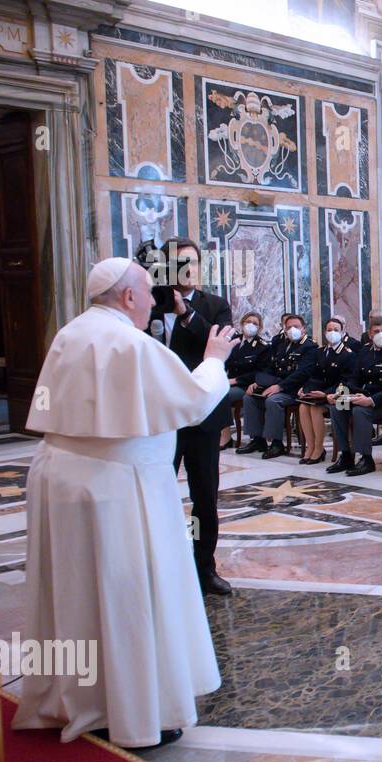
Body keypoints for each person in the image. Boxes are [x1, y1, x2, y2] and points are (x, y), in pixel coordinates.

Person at [14, 258, 237, 748]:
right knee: (128, 594)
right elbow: (194, 399)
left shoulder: (70, 333)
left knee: (74, 592)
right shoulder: (130, 342)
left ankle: (73, 698)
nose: (154, 302)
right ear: (129, 297)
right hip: (116, 487)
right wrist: (216, 357)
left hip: (62, 477)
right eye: (148, 294)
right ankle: (136, 714)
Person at [144, 238, 235, 596]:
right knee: (155, 493)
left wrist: (186, 314)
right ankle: (158, 566)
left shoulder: (215, 305)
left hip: (202, 417)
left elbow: (221, 348)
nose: (186, 269)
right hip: (159, 416)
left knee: (204, 496)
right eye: (178, 263)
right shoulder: (149, 304)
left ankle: (204, 567)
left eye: (192, 263)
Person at [327, 314, 382, 476]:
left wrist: (371, 400)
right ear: (370, 334)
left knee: (359, 411)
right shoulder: (364, 351)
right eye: (376, 331)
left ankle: (366, 458)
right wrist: (340, 393)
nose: (380, 334)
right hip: (364, 397)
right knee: (337, 406)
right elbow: (354, 378)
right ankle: (346, 455)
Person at [237, 314, 318, 459]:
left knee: (273, 401)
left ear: (304, 329)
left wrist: (279, 387)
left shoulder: (310, 347)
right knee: (250, 397)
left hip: (295, 389)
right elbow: (270, 367)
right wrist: (259, 383)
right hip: (275, 384)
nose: (292, 330)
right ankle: (257, 440)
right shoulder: (281, 345)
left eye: (296, 327)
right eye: (289, 327)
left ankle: (276, 443)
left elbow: (302, 373)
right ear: (284, 330)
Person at [295, 318, 356, 466]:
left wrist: (326, 393)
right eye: (329, 330)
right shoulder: (320, 352)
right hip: (318, 393)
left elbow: (346, 381)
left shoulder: (348, 354)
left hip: (335, 394)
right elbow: (313, 375)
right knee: (303, 407)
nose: (332, 333)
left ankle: (318, 448)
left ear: (342, 333)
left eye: (336, 330)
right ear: (324, 332)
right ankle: (312, 446)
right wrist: (305, 388)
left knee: (315, 408)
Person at [221, 311, 267, 449]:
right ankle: (219, 432)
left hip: (246, 385)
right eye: (248, 322)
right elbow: (224, 362)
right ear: (242, 324)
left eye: (255, 324)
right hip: (228, 381)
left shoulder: (262, 346)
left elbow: (259, 372)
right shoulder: (233, 341)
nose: (251, 325)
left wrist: (235, 380)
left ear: (259, 328)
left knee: (223, 396)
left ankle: (226, 436)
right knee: (214, 392)